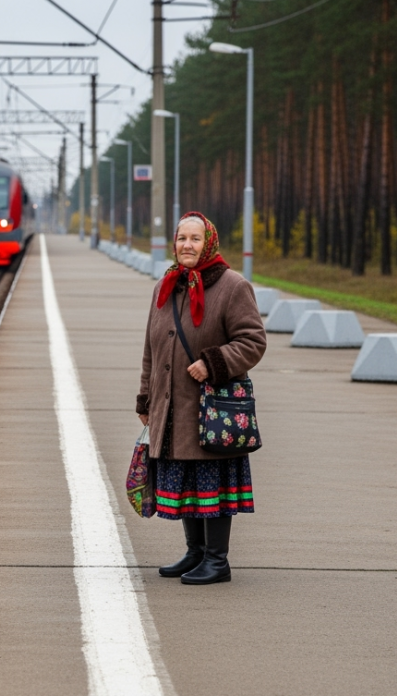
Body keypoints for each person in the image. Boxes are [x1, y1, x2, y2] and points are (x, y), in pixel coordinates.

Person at [137, 211, 266, 585]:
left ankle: (217, 560)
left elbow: (253, 342)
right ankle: (195, 554)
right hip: (172, 406)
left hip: (212, 409)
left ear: (208, 242)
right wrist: (145, 399)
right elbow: (151, 348)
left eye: (195, 239)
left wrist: (213, 362)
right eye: (181, 239)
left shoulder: (232, 285)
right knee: (186, 482)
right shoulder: (166, 286)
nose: (187, 246)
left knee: (211, 481)